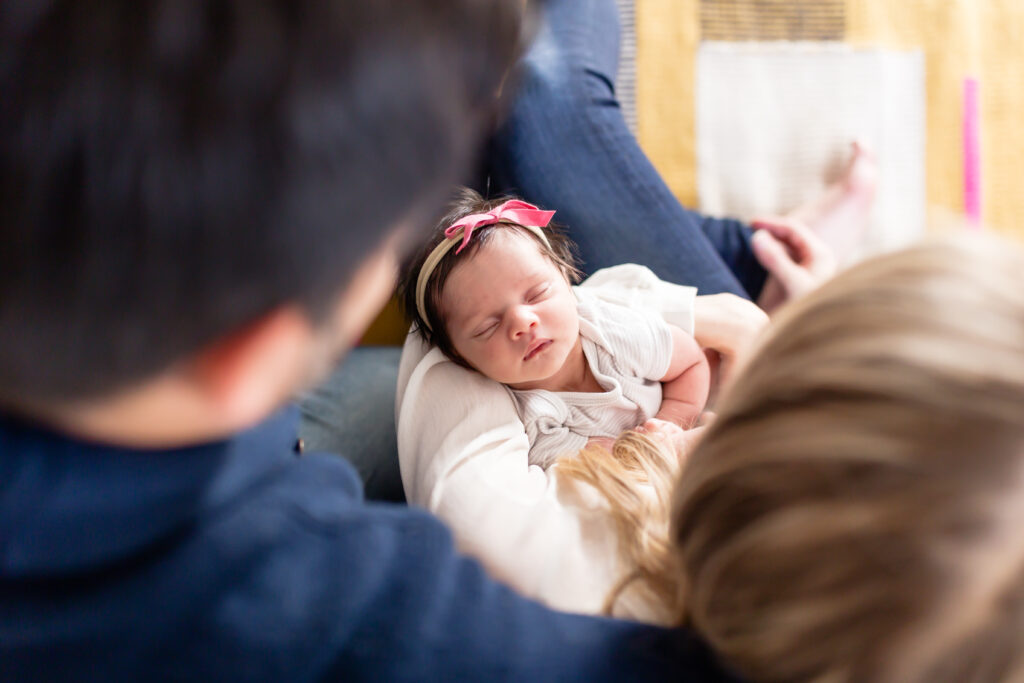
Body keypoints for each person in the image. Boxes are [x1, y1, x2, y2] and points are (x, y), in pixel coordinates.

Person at [0, 1, 740, 680]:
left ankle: (749, 251)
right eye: (387, 254)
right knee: (550, 101)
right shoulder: (351, 605)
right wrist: (706, 321)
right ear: (255, 358)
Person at [561, 234, 1024, 682]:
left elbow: (520, 338)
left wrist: (722, 319)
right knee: (760, 258)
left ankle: (754, 251)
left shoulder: (583, 532)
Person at [399, 189, 709, 468]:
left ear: (566, 275)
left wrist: (672, 423)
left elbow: (691, 363)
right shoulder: (531, 422)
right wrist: (646, 452)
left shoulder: (614, 332)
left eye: (537, 294)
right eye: (487, 327)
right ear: (458, 356)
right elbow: (617, 467)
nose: (523, 322)